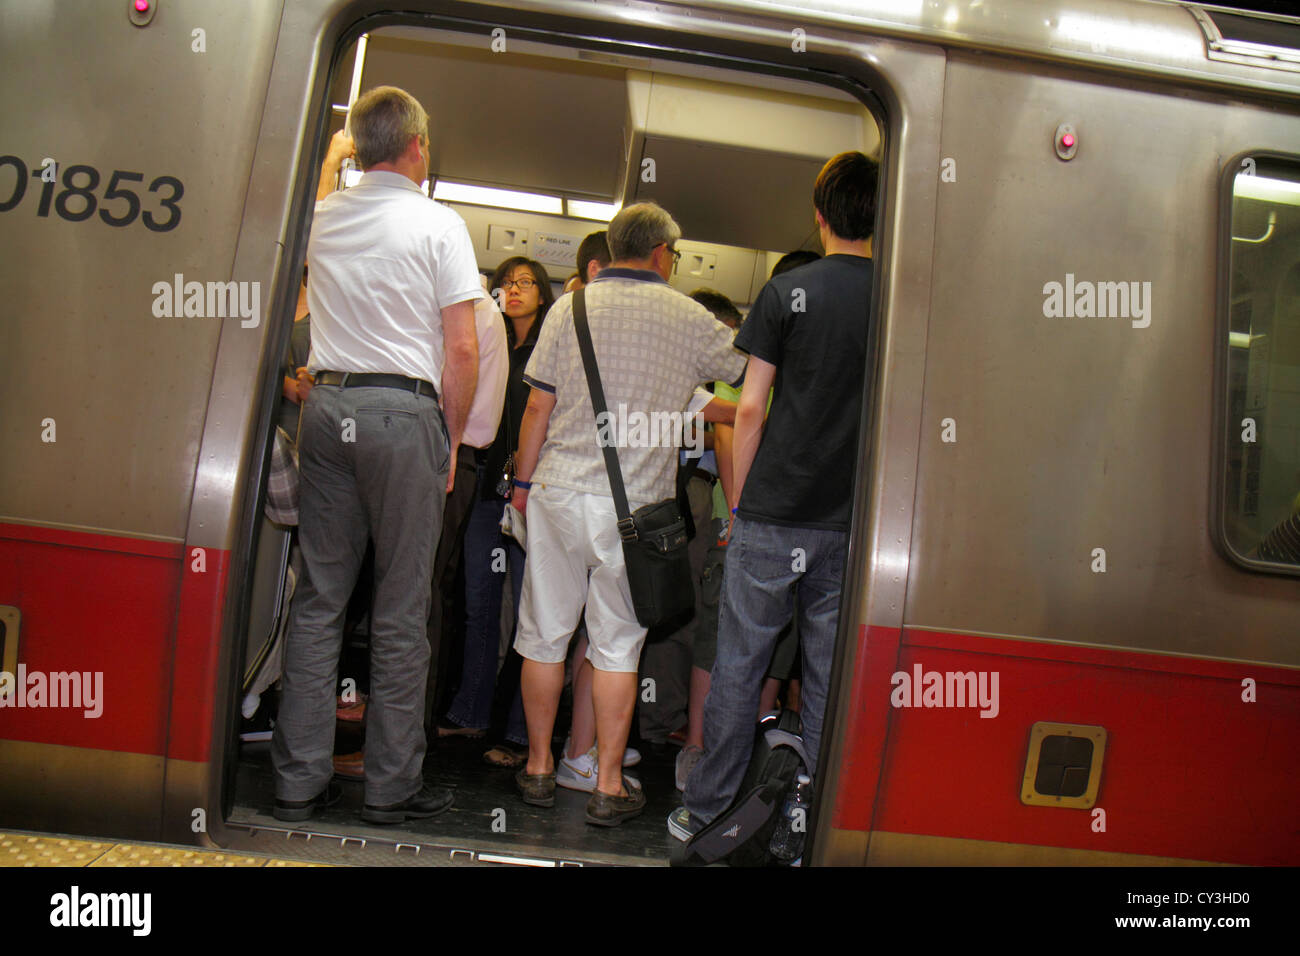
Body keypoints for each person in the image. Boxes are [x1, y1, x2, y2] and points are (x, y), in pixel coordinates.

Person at [271, 85, 482, 825]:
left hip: (327, 410)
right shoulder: (440, 223)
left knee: (319, 600)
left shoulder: (323, 215)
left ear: (360, 148)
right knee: (400, 608)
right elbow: (463, 348)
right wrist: (450, 438)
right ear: (418, 145)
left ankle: (297, 782)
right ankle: (391, 789)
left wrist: (335, 161)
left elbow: (301, 231)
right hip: (402, 415)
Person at [509, 201, 747, 826]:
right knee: (617, 646)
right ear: (663, 253)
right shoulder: (689, 317)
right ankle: (608, 784)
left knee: (545, 637)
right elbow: (746, 370)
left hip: (559, 492)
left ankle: (539, 766)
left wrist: (522, 486)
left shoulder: (569, 307)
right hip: (637, 513)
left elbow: (537, 408)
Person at [673, 151, 877, 841]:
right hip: (850, 521)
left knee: (740, 664)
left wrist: (742, 504)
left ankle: (709, 812)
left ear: (819, 214)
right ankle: (811, 817)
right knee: (826, 675)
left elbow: (751, 407)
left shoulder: (789, 292)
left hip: (774, 513)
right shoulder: (897, 301)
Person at [438, 257, 554, 771]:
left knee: (533, 614)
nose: (514, 290)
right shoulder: (487, 340)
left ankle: (519, 728)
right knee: (478, 605)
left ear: (543, 293)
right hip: (488, 487)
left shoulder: (552, 349)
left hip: (536, 493)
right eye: (507, 282)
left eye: (526, 282)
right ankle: (471, 711)